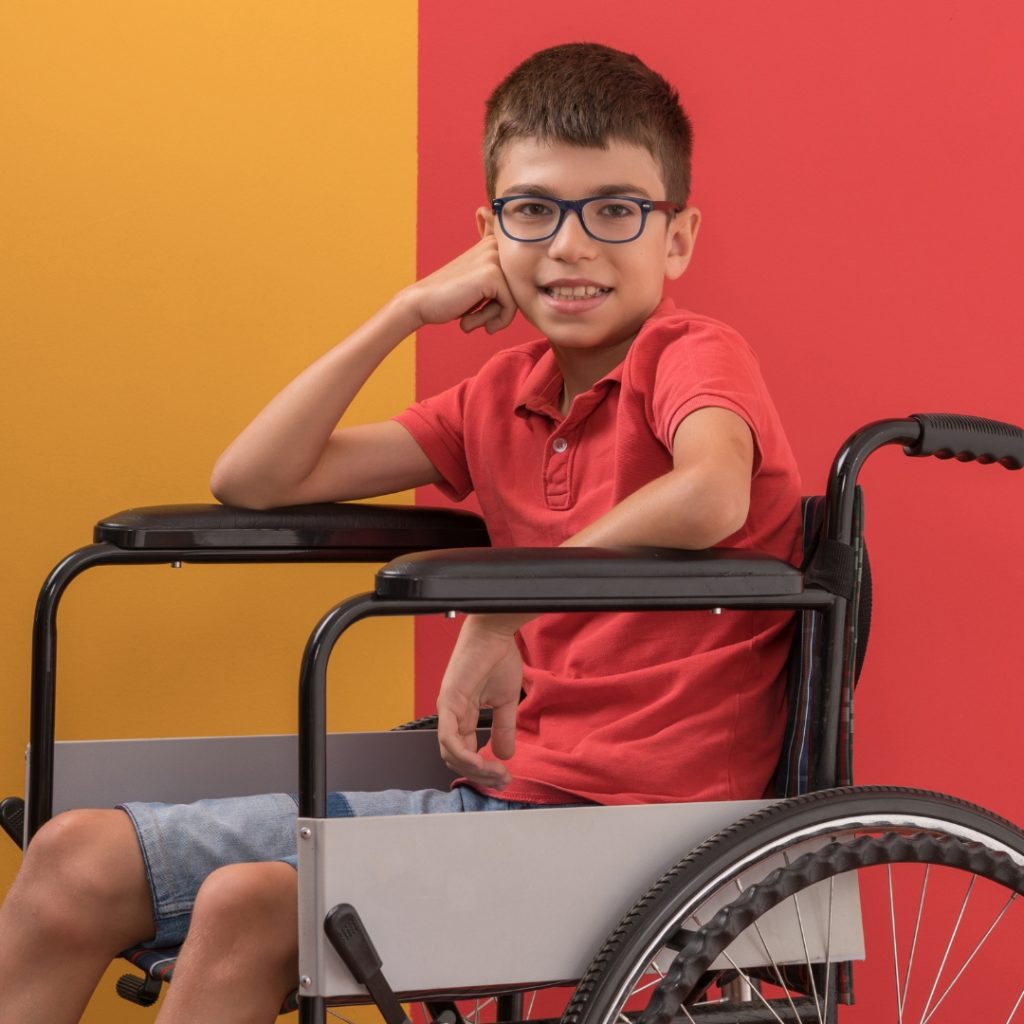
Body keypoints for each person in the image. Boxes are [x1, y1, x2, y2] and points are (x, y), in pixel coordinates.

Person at [0, 42, 801, 1024]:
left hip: (642, 835)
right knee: (74, 856)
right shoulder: (499, 396)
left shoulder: (689, 354)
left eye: (616, 210)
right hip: (505, 803)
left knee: (254, 903)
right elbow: (254, 477)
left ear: (674, 239)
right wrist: (405, 311)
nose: (571, 244)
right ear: (488, 235)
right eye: (533, 211)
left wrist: (502, 609)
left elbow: (712, 491)